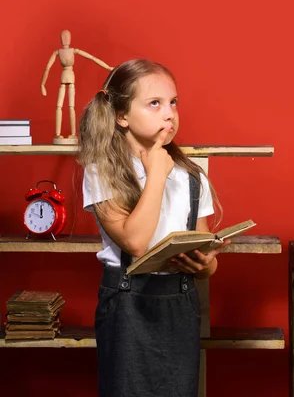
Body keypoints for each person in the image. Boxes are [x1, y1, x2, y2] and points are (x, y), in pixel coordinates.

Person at [77, 58, 229, 397]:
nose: (169, 113)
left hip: (179, 304)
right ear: (121, 116)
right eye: (155, 104)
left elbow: (201, 245)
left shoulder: (191, 177)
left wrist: (207, 264)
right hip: (128, 304)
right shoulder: (103, 171)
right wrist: (157, 173)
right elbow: (135, 242)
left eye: (174, 102)